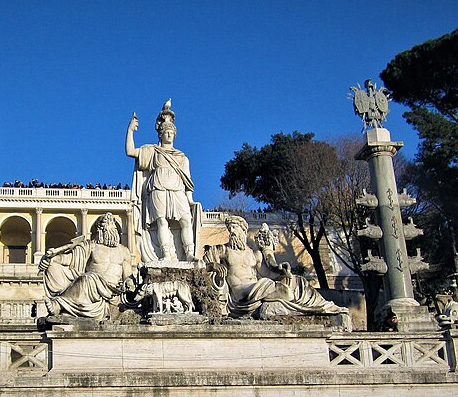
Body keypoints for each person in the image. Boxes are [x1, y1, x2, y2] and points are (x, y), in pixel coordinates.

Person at [203, 216, 343, 319]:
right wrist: (214, 265)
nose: (232, 231)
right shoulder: (222, 250)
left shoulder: (254, 254)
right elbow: (202, 266)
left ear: (243, 230)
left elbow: (268, 272)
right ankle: (302, 305)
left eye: (235, 227)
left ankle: (324, 306)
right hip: (241, 294)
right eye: (230, 228)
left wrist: (281, 270)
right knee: (282, 291)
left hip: (258, 287)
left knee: (297, 281)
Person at [126, 100, 197, 262]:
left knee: (186, 220)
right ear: (161, 134)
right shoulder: (153, 151)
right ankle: (165, 254)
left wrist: (190, 199)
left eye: (171, 132)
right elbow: (130, 151)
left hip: (177, 189)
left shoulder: (182, 157)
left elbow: (188, 181)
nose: (169, 134)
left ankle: (189, 253)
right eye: (166, 132)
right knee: (161, 221)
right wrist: (130, 130)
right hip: (157, 187)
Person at [39, 212, 135, 320]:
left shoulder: (123, 251)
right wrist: (51, 259)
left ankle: (59, 304)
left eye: (113, 224)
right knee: (87, 278)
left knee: (88, 278)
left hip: (113, 292)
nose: (111, 228)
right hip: (90, 287)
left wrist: (129, 284)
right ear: (99, 230)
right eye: (107, 225)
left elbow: (128, 276)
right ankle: (59, 304)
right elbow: (69, 259)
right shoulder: (90, 247)